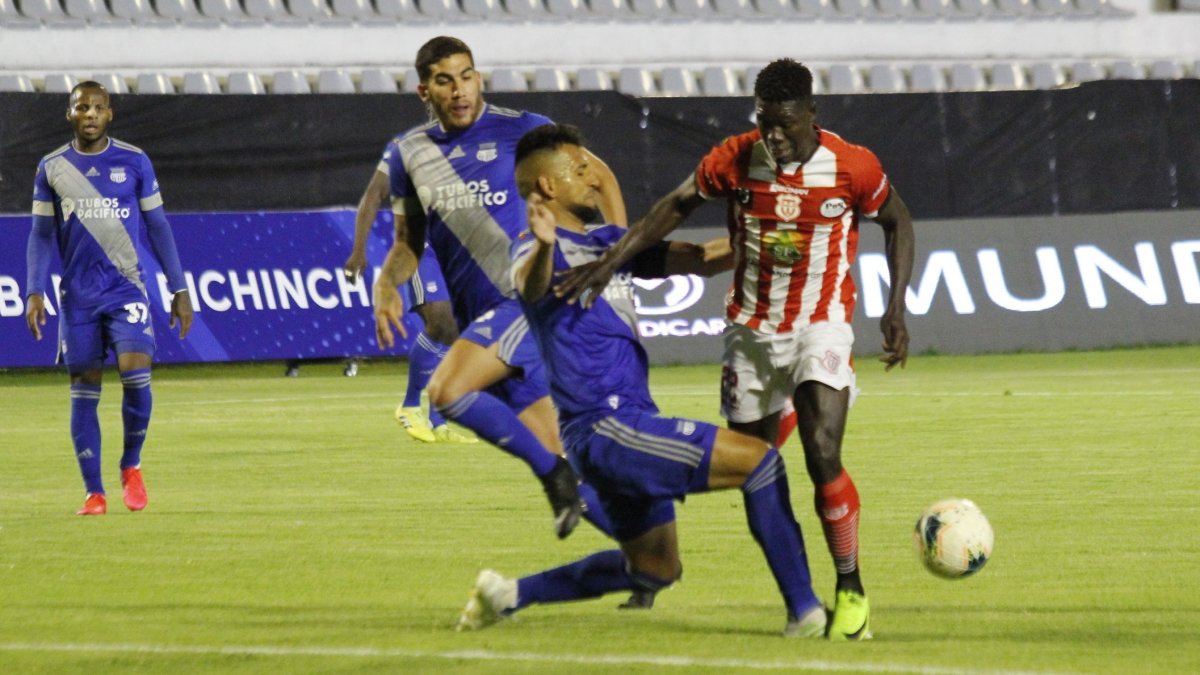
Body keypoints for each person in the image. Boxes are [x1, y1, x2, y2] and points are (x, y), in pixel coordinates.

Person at [554, 59, 915, 641]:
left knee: (822, 453)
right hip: (751, 335)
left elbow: (897, 220)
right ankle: (799, 603)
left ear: (812, 117)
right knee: (754, 468)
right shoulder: (734, 159)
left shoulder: (852, 165)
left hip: (820, 324)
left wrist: (896, 307)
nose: (774, 136)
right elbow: (673, 207)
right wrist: (612, 260)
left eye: (786, 125)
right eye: (765, 122)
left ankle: (850, 586)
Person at [456, 123, 825, 637]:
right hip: (606, 427)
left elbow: (703, 260)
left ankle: (509, 594)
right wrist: (543, 246)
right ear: (547, 187)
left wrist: (787, 240)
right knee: (760, 464)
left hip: (621, 428)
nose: (592, 177)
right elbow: (531, 286)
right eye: (579, 169)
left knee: (655, 568)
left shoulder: (612, 244)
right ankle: (805, 613)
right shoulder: (533, 248)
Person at [371, 36, 627, 540]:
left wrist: (614, 257)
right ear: (425, 91)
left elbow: (601, 179)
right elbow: (407, 244)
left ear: (479, 78)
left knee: (447, 390)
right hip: (484, 322)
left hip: (527, 303)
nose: (460, 89)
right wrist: (386, 283)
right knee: (560, 452)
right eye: (445, 81)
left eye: (467, 76)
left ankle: (554, 479)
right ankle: (646, 559)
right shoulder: (410, 155)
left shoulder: (523, 129)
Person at [25, 81, 192, 516]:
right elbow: (41, 235)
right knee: (85, 387)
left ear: (110, 114)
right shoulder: (52, 167)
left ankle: (131, 465)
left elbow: (158, 227)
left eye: (98, 107)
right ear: (70, 115)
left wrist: (179, 288)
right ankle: (94, 493)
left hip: (126, 289)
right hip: (79, 297)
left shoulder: (134, 161)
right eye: (82, 107)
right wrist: (34, 290)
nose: (91, 114)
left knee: (137, 373)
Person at [345, 157, 474, 444]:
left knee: (452, 331)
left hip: (456, 251)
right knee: (441, 320)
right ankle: (410, 405)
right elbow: (373, 195)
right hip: (419, 248)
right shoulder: (407, 152)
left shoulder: (471, 148)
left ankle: (437, 421)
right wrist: (358, 250)